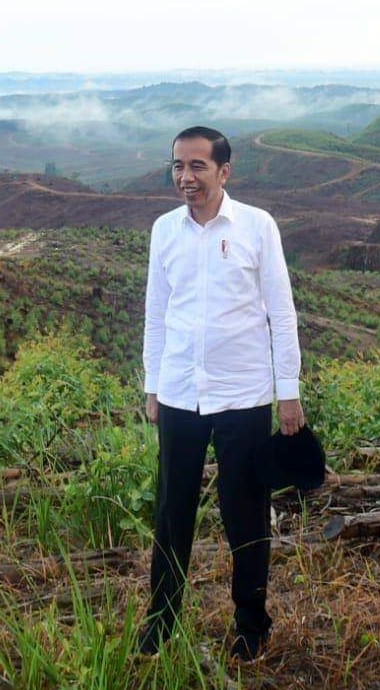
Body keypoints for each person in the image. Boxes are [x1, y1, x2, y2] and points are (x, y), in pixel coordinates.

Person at [140, 126, 305, 661]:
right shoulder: (164, 231)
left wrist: (288, 392)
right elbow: (156, 315)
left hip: (244, 396)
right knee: (172, 512)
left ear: (224, 171)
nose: (186, 178)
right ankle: (161, 621)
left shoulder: (258, 226)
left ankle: (251, 624)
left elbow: (281, 312)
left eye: (197, 167)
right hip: (181, 396)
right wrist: (153, 386)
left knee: (246, 514)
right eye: (178, 167)